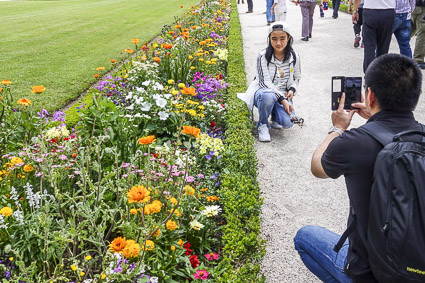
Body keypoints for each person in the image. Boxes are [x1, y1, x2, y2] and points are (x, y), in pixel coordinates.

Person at [294, 54, 423, 282]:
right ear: (415, 95)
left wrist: (337, 128)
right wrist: (374, 116)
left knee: (304, 237)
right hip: (417, 265)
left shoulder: (354, 142)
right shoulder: (421, 135)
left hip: (371, 271)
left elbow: (317, 166)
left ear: (370, 95)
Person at [237, 22, 301, 142]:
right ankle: (263, 124)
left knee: (287, 123)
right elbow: (264, 83)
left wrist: (292, 90)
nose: (278, 43)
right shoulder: (263, 57)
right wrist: (283, 100)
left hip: (282, 94)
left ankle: (275, 116)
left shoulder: (294, 56)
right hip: (263, 93)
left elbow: (297, 77)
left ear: (289, 38)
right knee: (268, 95)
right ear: (269, 39)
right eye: (274, 39)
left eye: (282, 38)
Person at [353, 0, 396, 72]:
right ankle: (380, 76)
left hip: (370, 11)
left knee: (369, 48)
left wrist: (355, 11)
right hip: (388, 11)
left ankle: (369, 77)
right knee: (383, 48)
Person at [411, 0, 425, 69]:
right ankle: (418, 60)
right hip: (422, 7)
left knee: (407, 32)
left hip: (411, 6)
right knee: (422, 33)